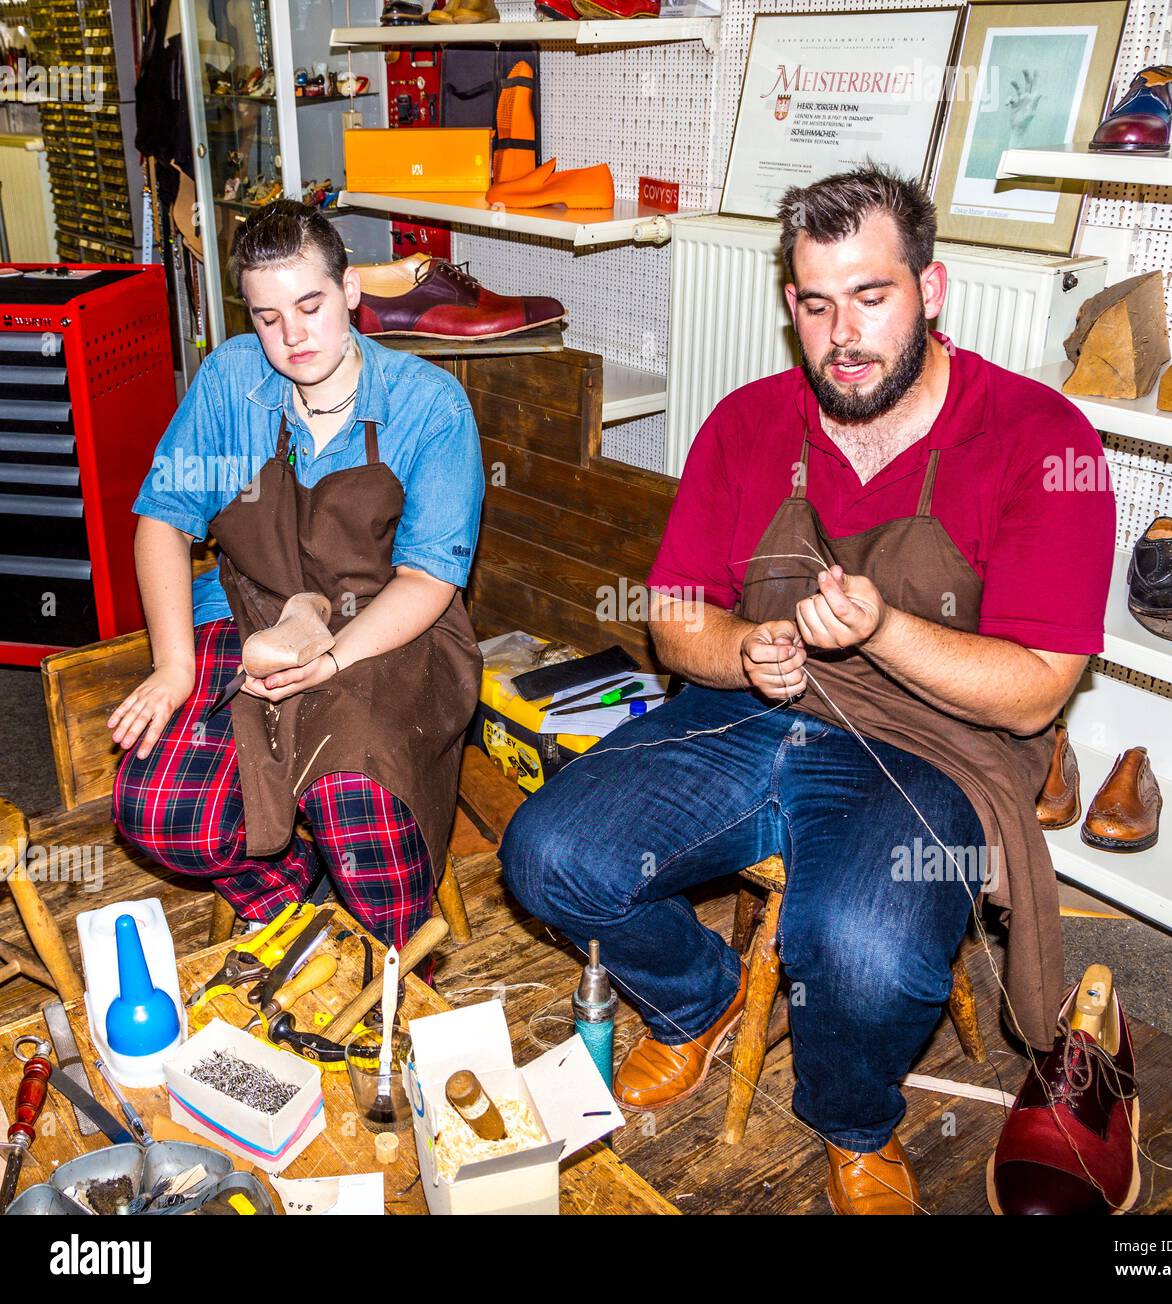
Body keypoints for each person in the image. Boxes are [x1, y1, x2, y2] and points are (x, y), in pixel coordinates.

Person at [500, 167, 1115, 1213]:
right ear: (790, 304)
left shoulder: (1043, 441)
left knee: (862, 950)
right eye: (817, 302)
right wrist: (744, 649)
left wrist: (883, 628)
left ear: (931, 286)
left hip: (936, 748)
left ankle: (851, 1117)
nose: (844, 334)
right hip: (756, 713)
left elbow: (1029, 697)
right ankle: (693, 1003)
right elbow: (675, 616)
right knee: (548, 855)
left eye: (872, 295)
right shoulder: (746, 424)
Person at [111, 201, 483, 949]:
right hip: (251, 608)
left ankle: (394, 957)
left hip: (385, 625)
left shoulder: (428, 406)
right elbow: (162, 519)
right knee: (161, 806)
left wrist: (331, 658)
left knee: (359, 802)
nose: (292, 336)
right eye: (267, 316)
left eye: (311, 306)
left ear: (349, 292)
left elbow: (428, 582)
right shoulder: (230, 381)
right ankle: (288, 906)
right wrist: (174, 666)